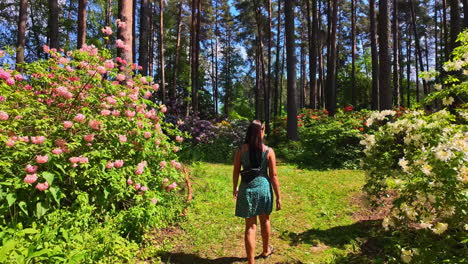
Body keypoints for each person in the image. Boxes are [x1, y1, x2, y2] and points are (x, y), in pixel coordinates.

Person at [233, 120, 282, 264]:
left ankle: (251, 262)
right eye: (264, 129)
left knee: (250, 226)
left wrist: (235, 187)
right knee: (265, 220)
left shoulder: (240, 150)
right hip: (263, 188)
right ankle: (266, 250)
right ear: (260, 131)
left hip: (246, 188)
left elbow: (236, 171)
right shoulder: (268, 151)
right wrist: (278, 196)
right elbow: (273, 175)